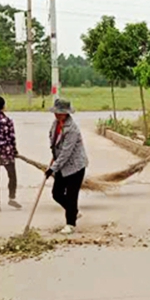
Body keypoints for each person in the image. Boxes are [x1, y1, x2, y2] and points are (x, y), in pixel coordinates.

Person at [45, 98, 89, 235]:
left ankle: (70, 224)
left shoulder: (72, 129)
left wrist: (53, 169)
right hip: (61, 165)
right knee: (56, 193)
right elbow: (54, 142)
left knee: (71, 196)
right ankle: (74, 211)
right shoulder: (56, 123)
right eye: (56, 112)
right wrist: (53, 156)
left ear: (66, 113)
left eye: (61, 113)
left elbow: (66, 152)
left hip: (75, 166)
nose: (57, 115)